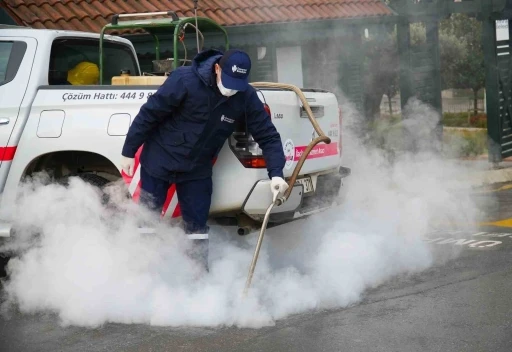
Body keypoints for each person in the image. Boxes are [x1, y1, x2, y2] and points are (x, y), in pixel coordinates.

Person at [119, 49, 289, 270]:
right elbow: (150, 114)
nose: (231, 90)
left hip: (197, 170)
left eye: (237, 84)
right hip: (159, 160)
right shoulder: (184, 80)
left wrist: (276, 173)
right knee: (147, 220)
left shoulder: (245, 96)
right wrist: (128, 150)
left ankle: (197, 278)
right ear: (217, 68)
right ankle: (142, 271)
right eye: (228, 82)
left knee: (197, 228)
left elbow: (268, 135)